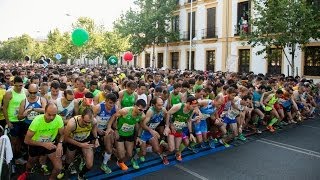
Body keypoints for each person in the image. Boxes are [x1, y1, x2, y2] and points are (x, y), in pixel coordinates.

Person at [19, 103, 64, 180]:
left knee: (58, 167)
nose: (51, 117)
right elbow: (26, 140)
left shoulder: (59, 119)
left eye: (54, 115)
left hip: (50, 144)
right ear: (44, 111)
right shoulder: (37, 121)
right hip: (35, 145)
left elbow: (62, 134)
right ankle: (27, 174)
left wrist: (60, 144)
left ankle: (51, 178)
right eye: (49, 114)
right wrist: (43, 144)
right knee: (30, 163)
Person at [105, 99, 146, 171]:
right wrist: (113, 128)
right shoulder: (125, 111)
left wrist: (139, 137)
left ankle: (120, 162)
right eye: (140, 109)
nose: (141, 111)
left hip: (129, 135)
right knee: (122, 155)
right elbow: (114, 116)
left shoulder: (142, 116)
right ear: (135, 106)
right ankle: (114, 152)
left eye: (143, 110)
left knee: (129, 155)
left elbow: (141, 126)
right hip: (120, 134)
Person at [64, 108, 99, 179]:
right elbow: (66, 138)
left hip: (85, 140)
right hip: (73, 141)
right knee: (68, 161)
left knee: (89, 165)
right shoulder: (72, 123)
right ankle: (67, 168)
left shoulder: (94, 121)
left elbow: (94, 128)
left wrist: (96, 138)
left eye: (89, 122)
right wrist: (80, 145)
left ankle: (81, 174)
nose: (87, 124)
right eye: (85, 122)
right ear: (81, 117)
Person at [166, 96, 200, 161]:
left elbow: (189, 121)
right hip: (171, 129)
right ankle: (164, 151)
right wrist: (168, 126)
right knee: (171, 149)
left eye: (195, 106)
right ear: (188, 103)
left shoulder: (192, 111)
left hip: (179, 130)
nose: (194, 108)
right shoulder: (178, 106)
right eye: (193, 106)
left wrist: (190, 133)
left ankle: (177, 153)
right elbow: (168, 114)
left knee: (177, 148)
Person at [2, 76, 27, 165]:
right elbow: (4, 108)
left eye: (21, 85)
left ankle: (18, 156)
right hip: (13, 120)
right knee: (14, 141)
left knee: (20, 140)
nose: (19, 87)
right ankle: (12, 160)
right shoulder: (9, 93)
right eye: (17, 86)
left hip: (22, 120)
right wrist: (8, 122)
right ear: (13, 84)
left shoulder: (25, 91)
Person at [139, 97, 169, 166]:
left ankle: (144, 148)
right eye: (159, 105)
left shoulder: (163, 110)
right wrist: (151, 131)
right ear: (154, 105)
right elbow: (143, 125)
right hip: (143, 133)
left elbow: (168, 115)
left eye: (162, 104)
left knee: (156, 149)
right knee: (143, 154)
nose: (161, 107)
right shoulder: (150, 112)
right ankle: (134, 158)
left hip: (151, 132)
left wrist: (167, 126)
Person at [93, 93, 118, 174]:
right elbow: (90, 120)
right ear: (105, 101)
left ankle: (104, 164)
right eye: (110, 103)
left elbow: (113, 118)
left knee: (109, 148)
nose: (112, 105)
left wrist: (109, 128)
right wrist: (96, 129)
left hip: (105, 129)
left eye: (113, 103)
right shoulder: (98, 107)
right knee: (92, 149)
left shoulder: (115, 108)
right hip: (94, 129)